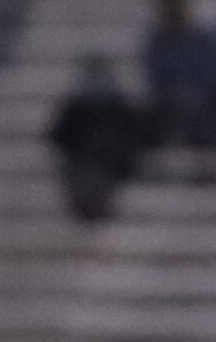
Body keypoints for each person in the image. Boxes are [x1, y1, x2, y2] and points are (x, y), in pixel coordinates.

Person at [46, 56, 148, 222]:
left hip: (112, 164)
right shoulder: (75, 110)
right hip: (82, 163)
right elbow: (59, 137)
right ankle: (87, 209)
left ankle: (97, 207)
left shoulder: (118, 109)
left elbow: (136, 136)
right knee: (83, 174)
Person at [141, 0, 216, 147]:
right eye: (169, 3)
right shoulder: (157, 43)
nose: (173, 9)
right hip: (169, 108)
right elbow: (156, 80)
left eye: (177, 2)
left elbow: (213, 78)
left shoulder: (204, 40)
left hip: (203, 105)